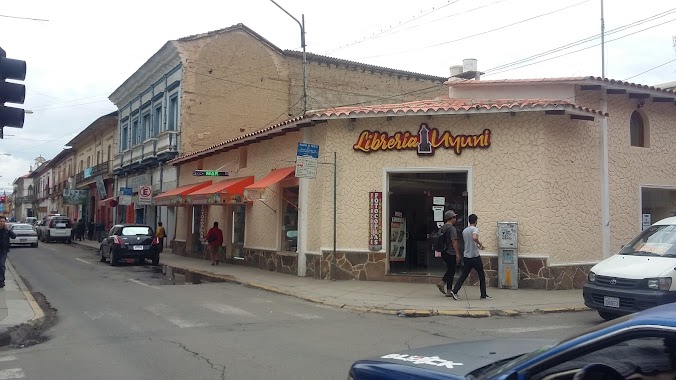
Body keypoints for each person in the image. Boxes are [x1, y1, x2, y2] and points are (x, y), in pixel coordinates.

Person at [449, 214, 492, 300]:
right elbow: (474, 237)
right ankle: (483, 295)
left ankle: (455, 291)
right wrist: (480, 244)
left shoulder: (465, 231)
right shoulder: (475, 229)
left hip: (467, 256)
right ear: (476, 221)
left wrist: (476, 244)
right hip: (475, 256)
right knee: (481, 274)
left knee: (464, 274)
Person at [436, 210, 461, 297]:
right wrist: (457, 253)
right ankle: (444, 284)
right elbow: (454, 241)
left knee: (451, 270)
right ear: (452, 218)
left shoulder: (442, 227)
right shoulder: (452, 228)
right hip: (451, 252)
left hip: (444, 251)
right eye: (454, 217)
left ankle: (448, 288)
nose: (456, 219)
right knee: (451, 270)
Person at [0, 216, 16, 288]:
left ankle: (1, 281)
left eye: (3, 221)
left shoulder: (6, 230)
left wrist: (9, 230)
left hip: (3, 250)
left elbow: (14, 236)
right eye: (1, 221)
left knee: (1, 265)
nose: (2, 223)